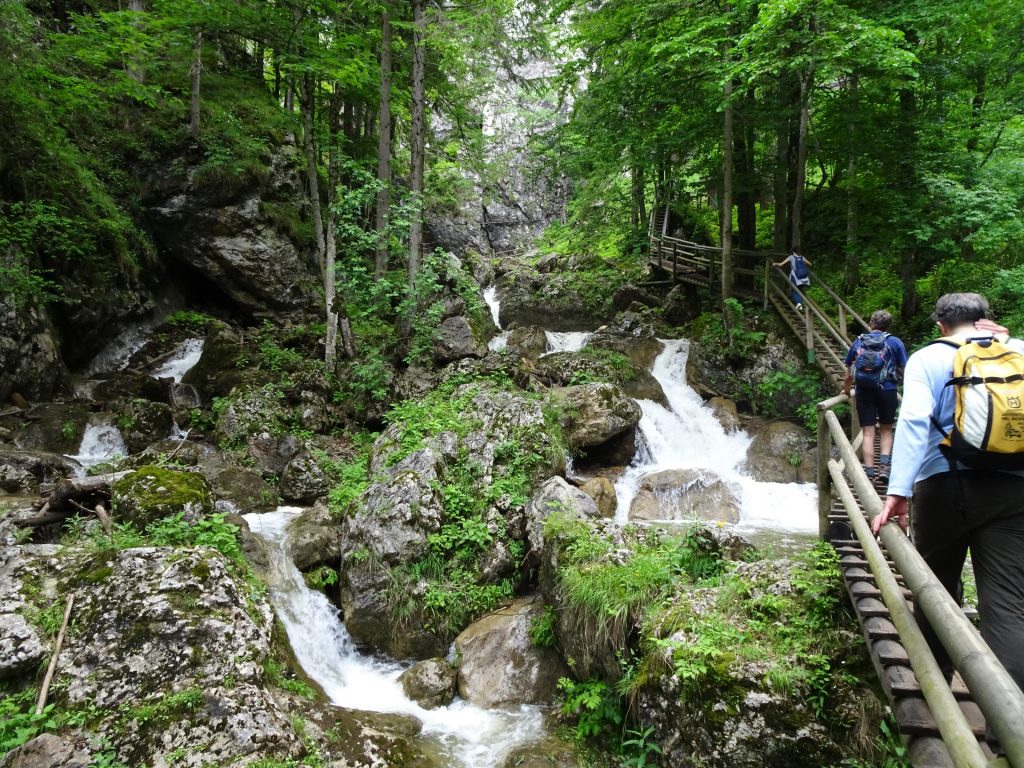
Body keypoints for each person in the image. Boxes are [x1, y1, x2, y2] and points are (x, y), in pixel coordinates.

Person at [871, 293, 1024, 726]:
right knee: (1010, 607)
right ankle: (1009, 724)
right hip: (1014, 491)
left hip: (944, 486)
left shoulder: (928, 358)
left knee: (936, 589)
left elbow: (915, 421)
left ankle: (936, 692)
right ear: (986, 319)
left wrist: (897, 493)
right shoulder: (1018, 351)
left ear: (940, 323)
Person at [842, 310, 908, 483]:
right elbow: (903, 369)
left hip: (864, 390)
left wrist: (847, 391)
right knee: (886, 430)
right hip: (888, 389)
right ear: (889, 325)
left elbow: (847, 374)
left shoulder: (859, 342)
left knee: (868, 432)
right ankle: (884, 468)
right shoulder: (895, 342)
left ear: (871, 323)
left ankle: (869, 473)